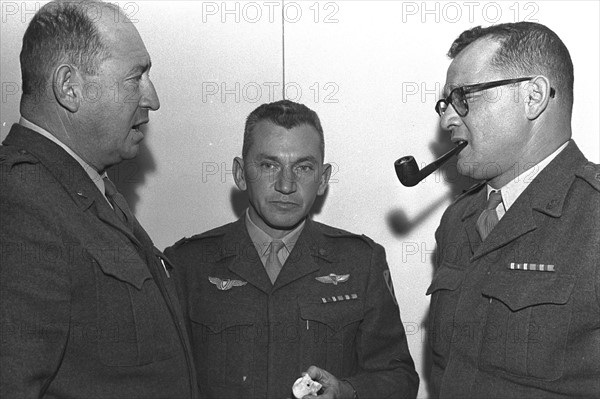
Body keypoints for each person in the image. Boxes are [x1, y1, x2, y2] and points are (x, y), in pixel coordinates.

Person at [0, 1, 197, 398]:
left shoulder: (83, 187)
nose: (152, 98)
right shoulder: (19, 204)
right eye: (135, 78)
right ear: (69, 87)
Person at [165, 100, 419, 399]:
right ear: (240, 173)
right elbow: (160, 380)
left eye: (303, 167)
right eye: (269, 165)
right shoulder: (188, 264)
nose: (286, 185)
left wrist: (346, 392)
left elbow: (398, 378)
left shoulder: (360, 262)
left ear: (322, 179)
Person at [427, 21, 600, 398]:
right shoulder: (457, 220)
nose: (447, 119)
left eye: (464, 97)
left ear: (533, 96)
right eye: (446, 103)